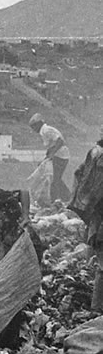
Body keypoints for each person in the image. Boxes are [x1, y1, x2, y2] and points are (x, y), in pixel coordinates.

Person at [68, 133, 103, 310]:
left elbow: (78, 174)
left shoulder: (95, 154)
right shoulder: (98, 156)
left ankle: (96, 310)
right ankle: (96, 310)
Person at [29, 113, 71, 203]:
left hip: (61, 156)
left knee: (54, 180)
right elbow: (51, 148)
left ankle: (56, 200)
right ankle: (66, 197)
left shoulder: (46, 130)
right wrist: (45, 159)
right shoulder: (44, 132)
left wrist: (52, 154)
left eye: (33, 126)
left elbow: (60, 141)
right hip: (58, 156)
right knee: (56, 179)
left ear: (38, 124)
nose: (33, 129)